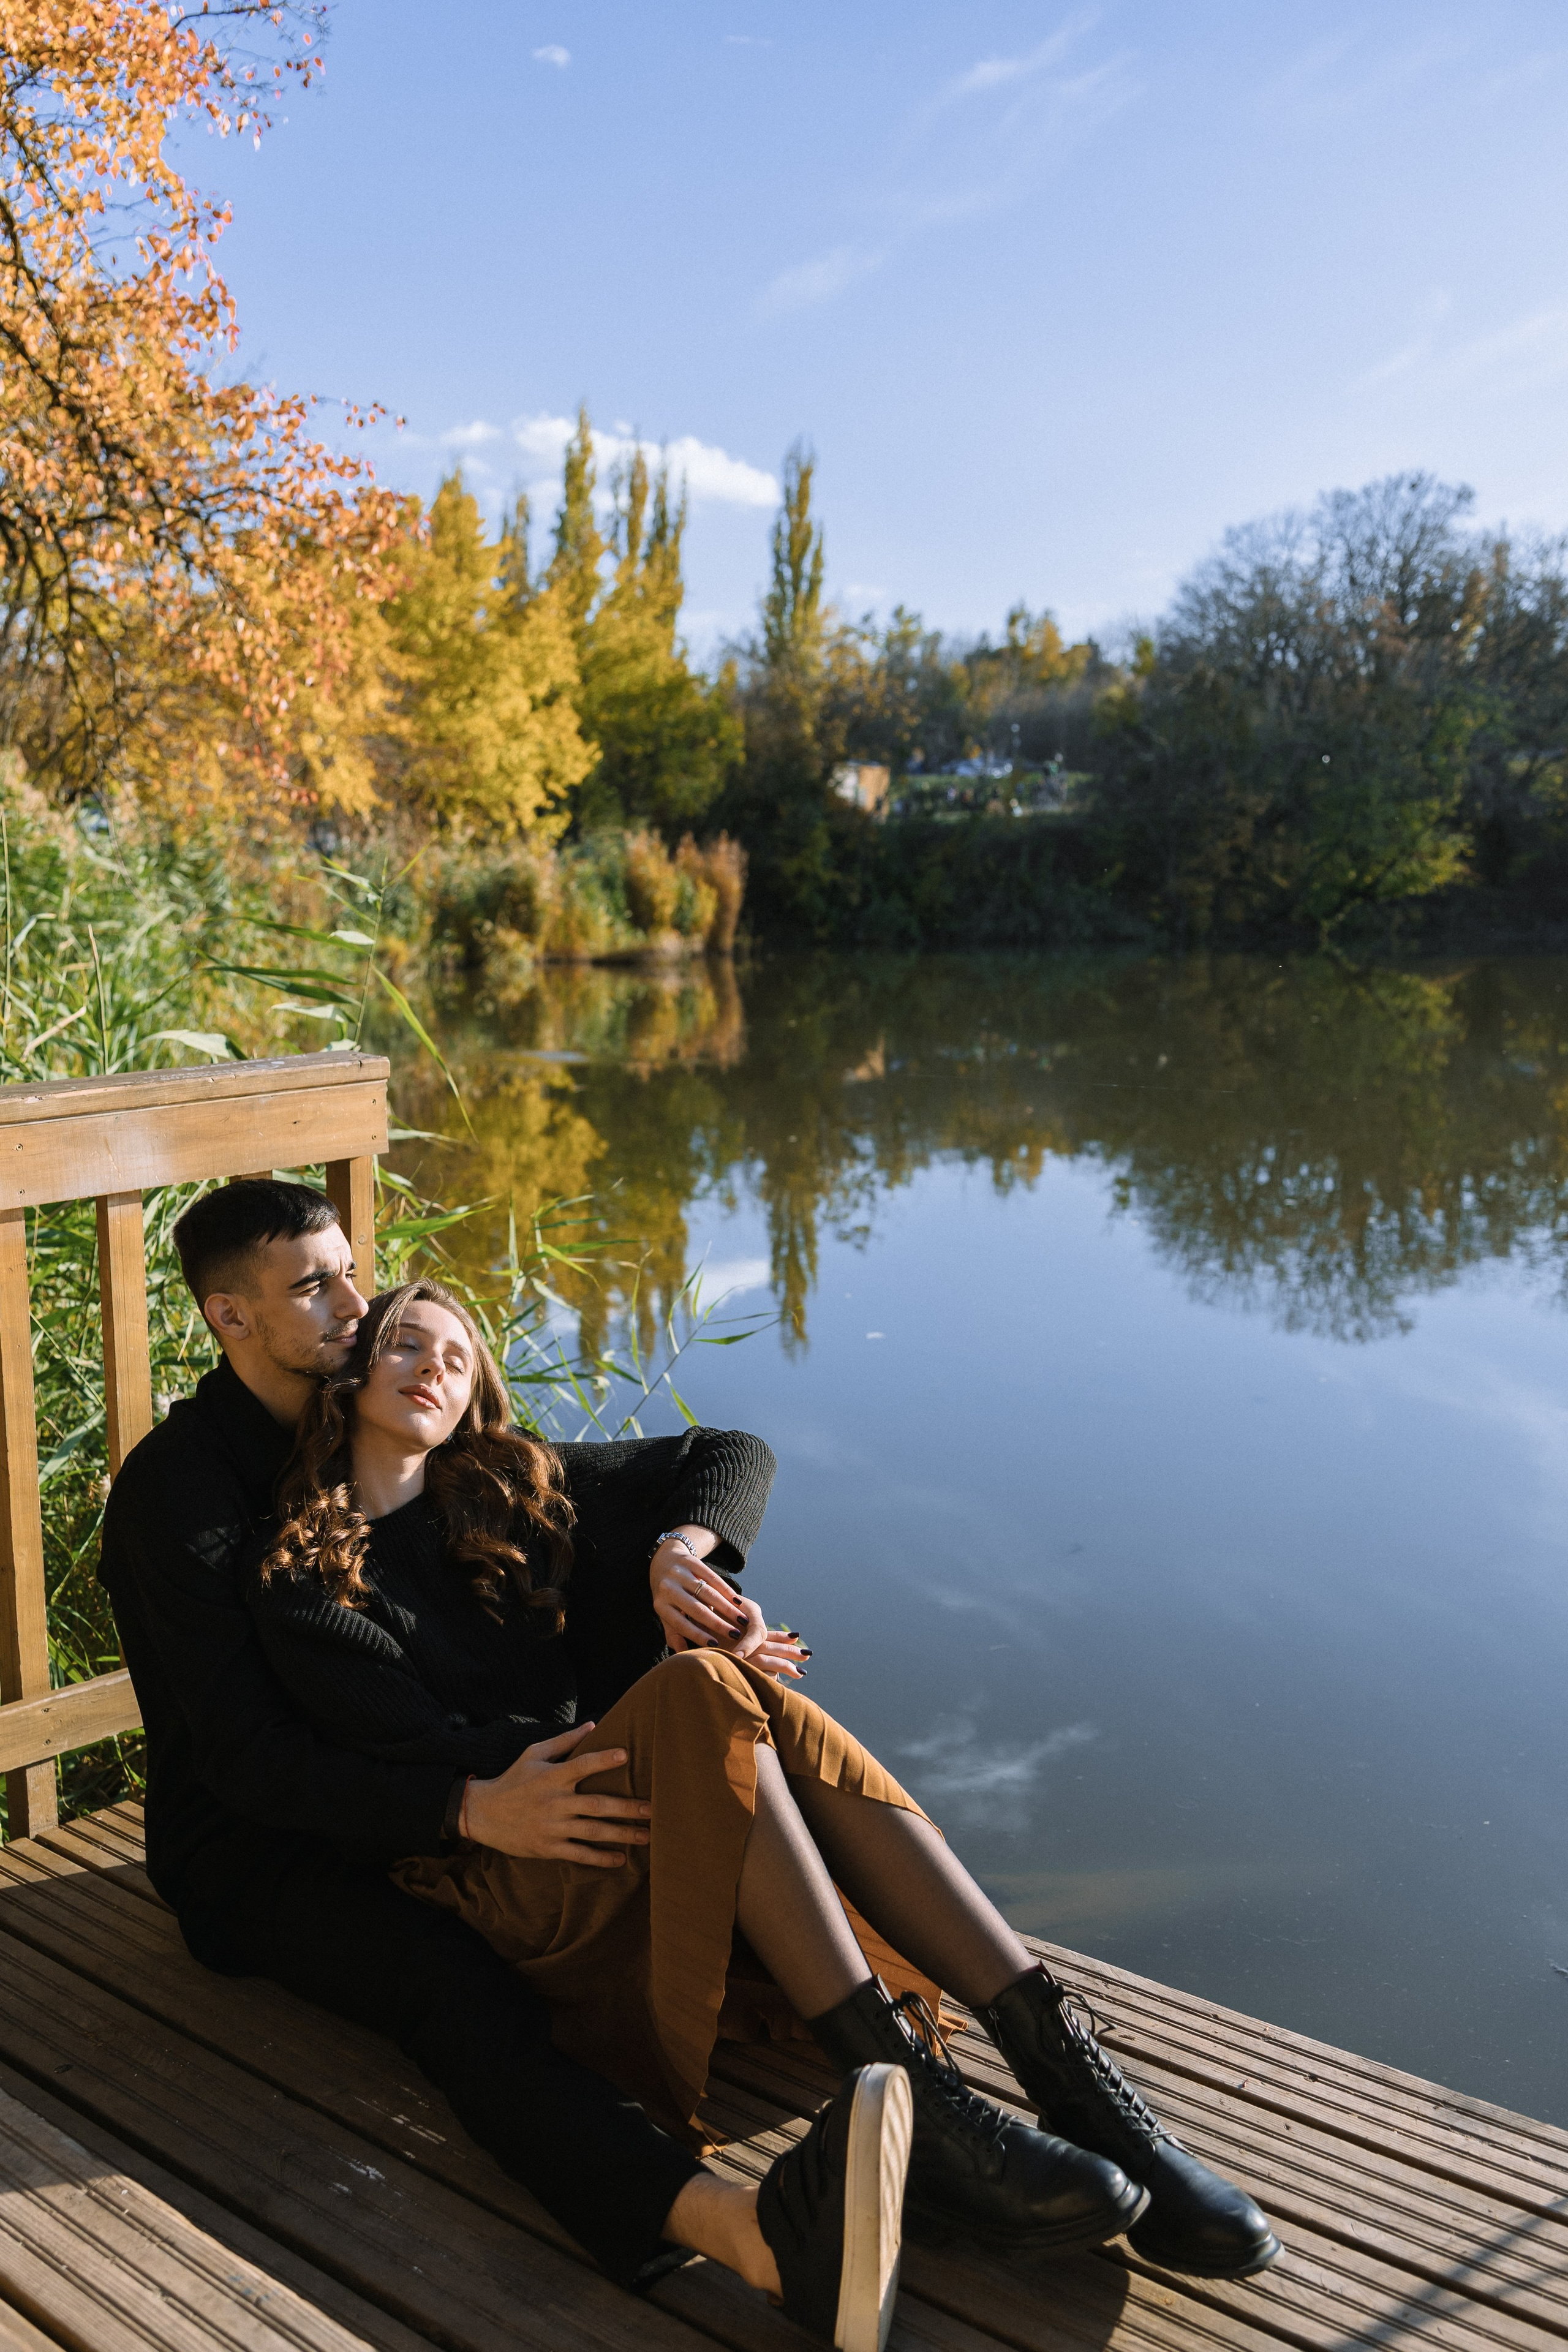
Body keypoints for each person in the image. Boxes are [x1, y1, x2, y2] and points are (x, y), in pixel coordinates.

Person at [244, 1271, 1280, 2293]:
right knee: (703, 1689)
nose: (437, 1368)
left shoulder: (517, 1499)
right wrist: (668, 1724)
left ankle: (1074, 2081)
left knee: (731, 1685)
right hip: (498, 1876)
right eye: (409, 1345)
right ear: (348, 1371)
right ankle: (919, 2097)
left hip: (602, 1821)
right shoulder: (303, 1572)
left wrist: (677, 1561)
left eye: (460, 1359)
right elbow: (421, 1757)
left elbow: (732, 1452)